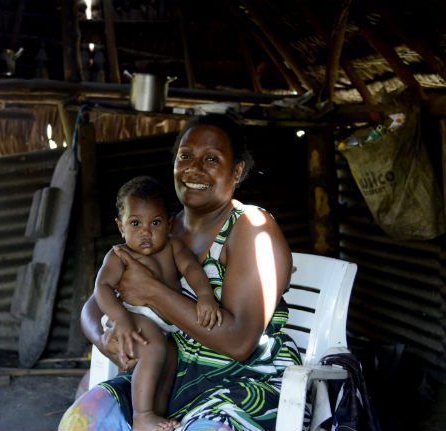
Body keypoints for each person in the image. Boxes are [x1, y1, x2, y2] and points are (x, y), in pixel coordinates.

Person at [59, 114, 303, 431]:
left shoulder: (251, 228)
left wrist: (151, 291)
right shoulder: (160, 228)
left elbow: (241, 343)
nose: (194, 168)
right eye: (185, 156)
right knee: (81, 421)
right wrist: (109, 341)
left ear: (237, 170)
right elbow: (95, 302)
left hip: (244, 382)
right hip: (168, 379)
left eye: (211, 159)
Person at [95, 175, 223, 431]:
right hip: (132, 314)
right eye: (135, 223)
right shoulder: (119, 255)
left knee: (168, 364)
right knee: (154, 350)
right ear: (120, 226)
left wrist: (206, 296)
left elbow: (192, 269)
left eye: (155, 223)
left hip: (164, 323)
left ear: (169, 223)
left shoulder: (173, 247)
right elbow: (102, 288)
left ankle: (158, 412)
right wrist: (121, 319)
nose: (146, 232)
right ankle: (142, 415)